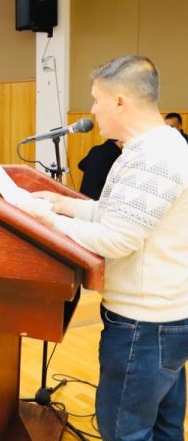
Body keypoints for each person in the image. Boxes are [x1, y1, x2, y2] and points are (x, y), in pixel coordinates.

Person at [29, 56, 188, 441]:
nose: (93, 109)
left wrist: (46, 220)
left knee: (125, 432)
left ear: (120, 101)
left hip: (144, 325)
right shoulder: (156, 146)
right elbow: (122, 215)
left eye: (97, 99)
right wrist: (66, 206)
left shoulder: (153, 158)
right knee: (164, 427)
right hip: (163, 318)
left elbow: (118, 238)